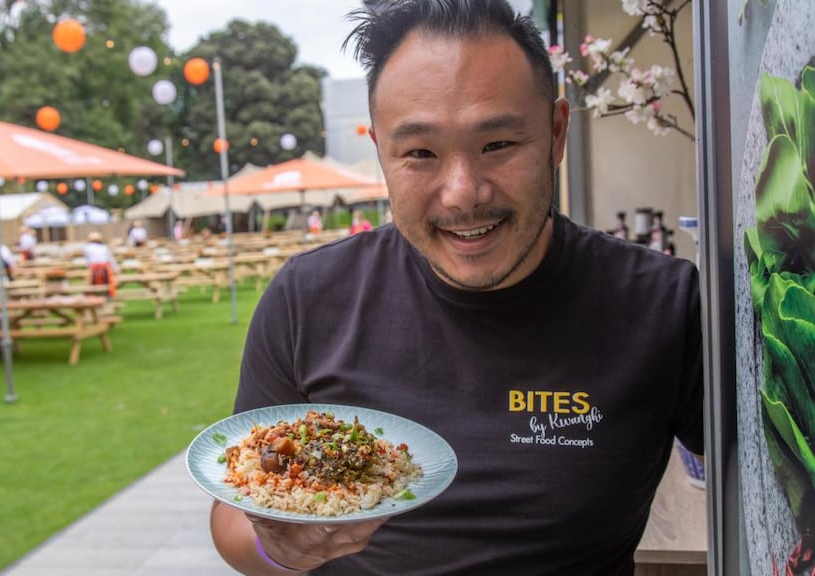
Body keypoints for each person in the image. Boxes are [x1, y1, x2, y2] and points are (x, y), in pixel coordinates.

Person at [209, 2, 704, 575]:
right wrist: (281, 548)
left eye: (497, 145)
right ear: (381, 155)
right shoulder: (308, 298)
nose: (463, 194)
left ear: (556, 132)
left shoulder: (662, 305)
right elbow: (232, 513)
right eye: (420, 153)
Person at [84, 231, 118, 297]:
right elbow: (111, 259)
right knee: (107, 285)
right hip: (105, 269)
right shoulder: (104, 247)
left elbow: (88, 261)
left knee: (93, 286)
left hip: (94, 269)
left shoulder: (87, 247)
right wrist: (116, 269)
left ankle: (95, 297)